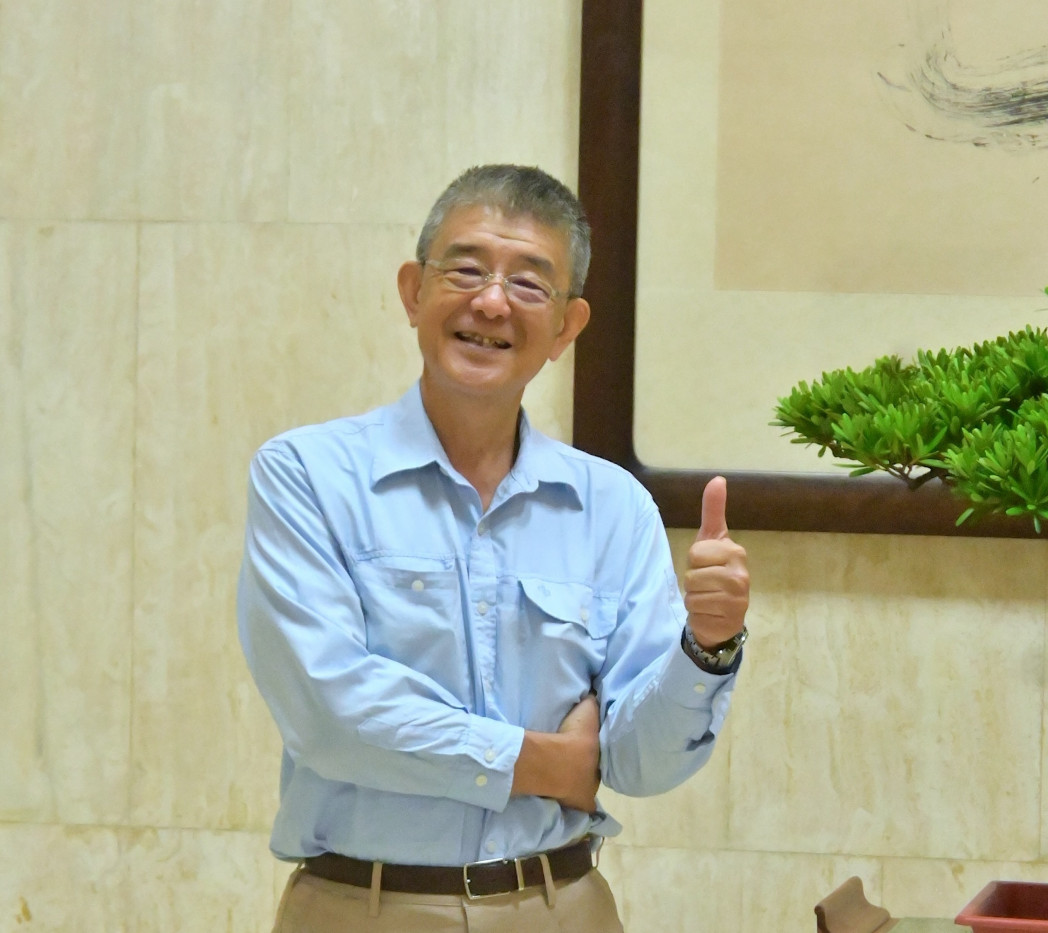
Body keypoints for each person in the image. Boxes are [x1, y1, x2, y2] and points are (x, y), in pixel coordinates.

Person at [238, 164, 749, 932]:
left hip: (562, 906)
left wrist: (707, 644)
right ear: (413, 291)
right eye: (466, 270)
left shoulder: (612, 508)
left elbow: (641, 762)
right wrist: (545, 763)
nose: (491, 302)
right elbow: (330, 714)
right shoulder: (307, 476)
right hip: (362, 907)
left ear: (567, 327)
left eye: (529, 283)